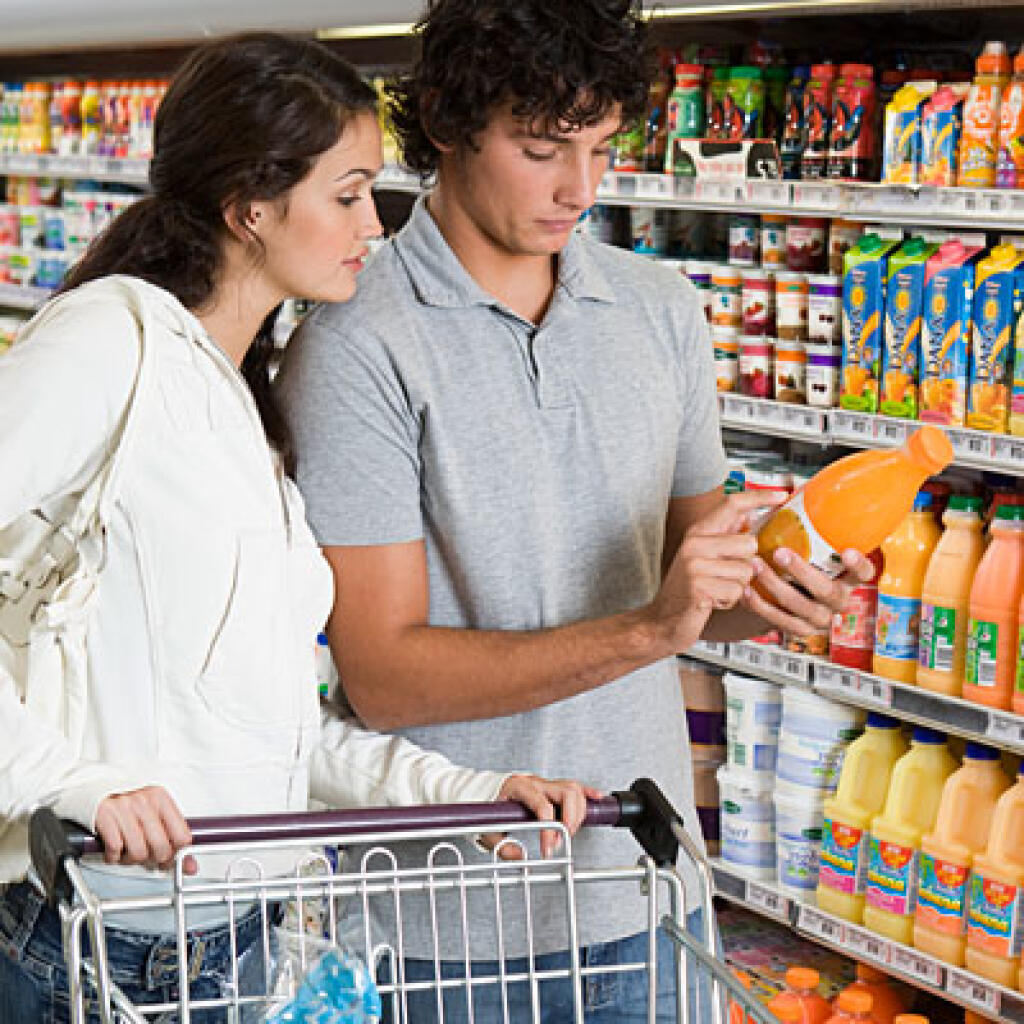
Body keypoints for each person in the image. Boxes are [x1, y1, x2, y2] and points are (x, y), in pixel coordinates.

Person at [274, 2, 874, 1021]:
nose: (579, 189)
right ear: (450, 122)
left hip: (648, 883)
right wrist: (651, 625)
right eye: (541, 148)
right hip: (447, 920)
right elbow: (382, 677)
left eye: (600, 148)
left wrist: (774, 589)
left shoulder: (659, 309)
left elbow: (690, 587)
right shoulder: (355, 344)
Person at [0, 33, 593, 1024]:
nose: (374, 220)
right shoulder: (113, 343)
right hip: (87, 940)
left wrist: (465, 790)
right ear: (251, 206)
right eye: (349, 191)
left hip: (228, 938)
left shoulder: (239, 396)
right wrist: (70, 780)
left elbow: (266, 732)